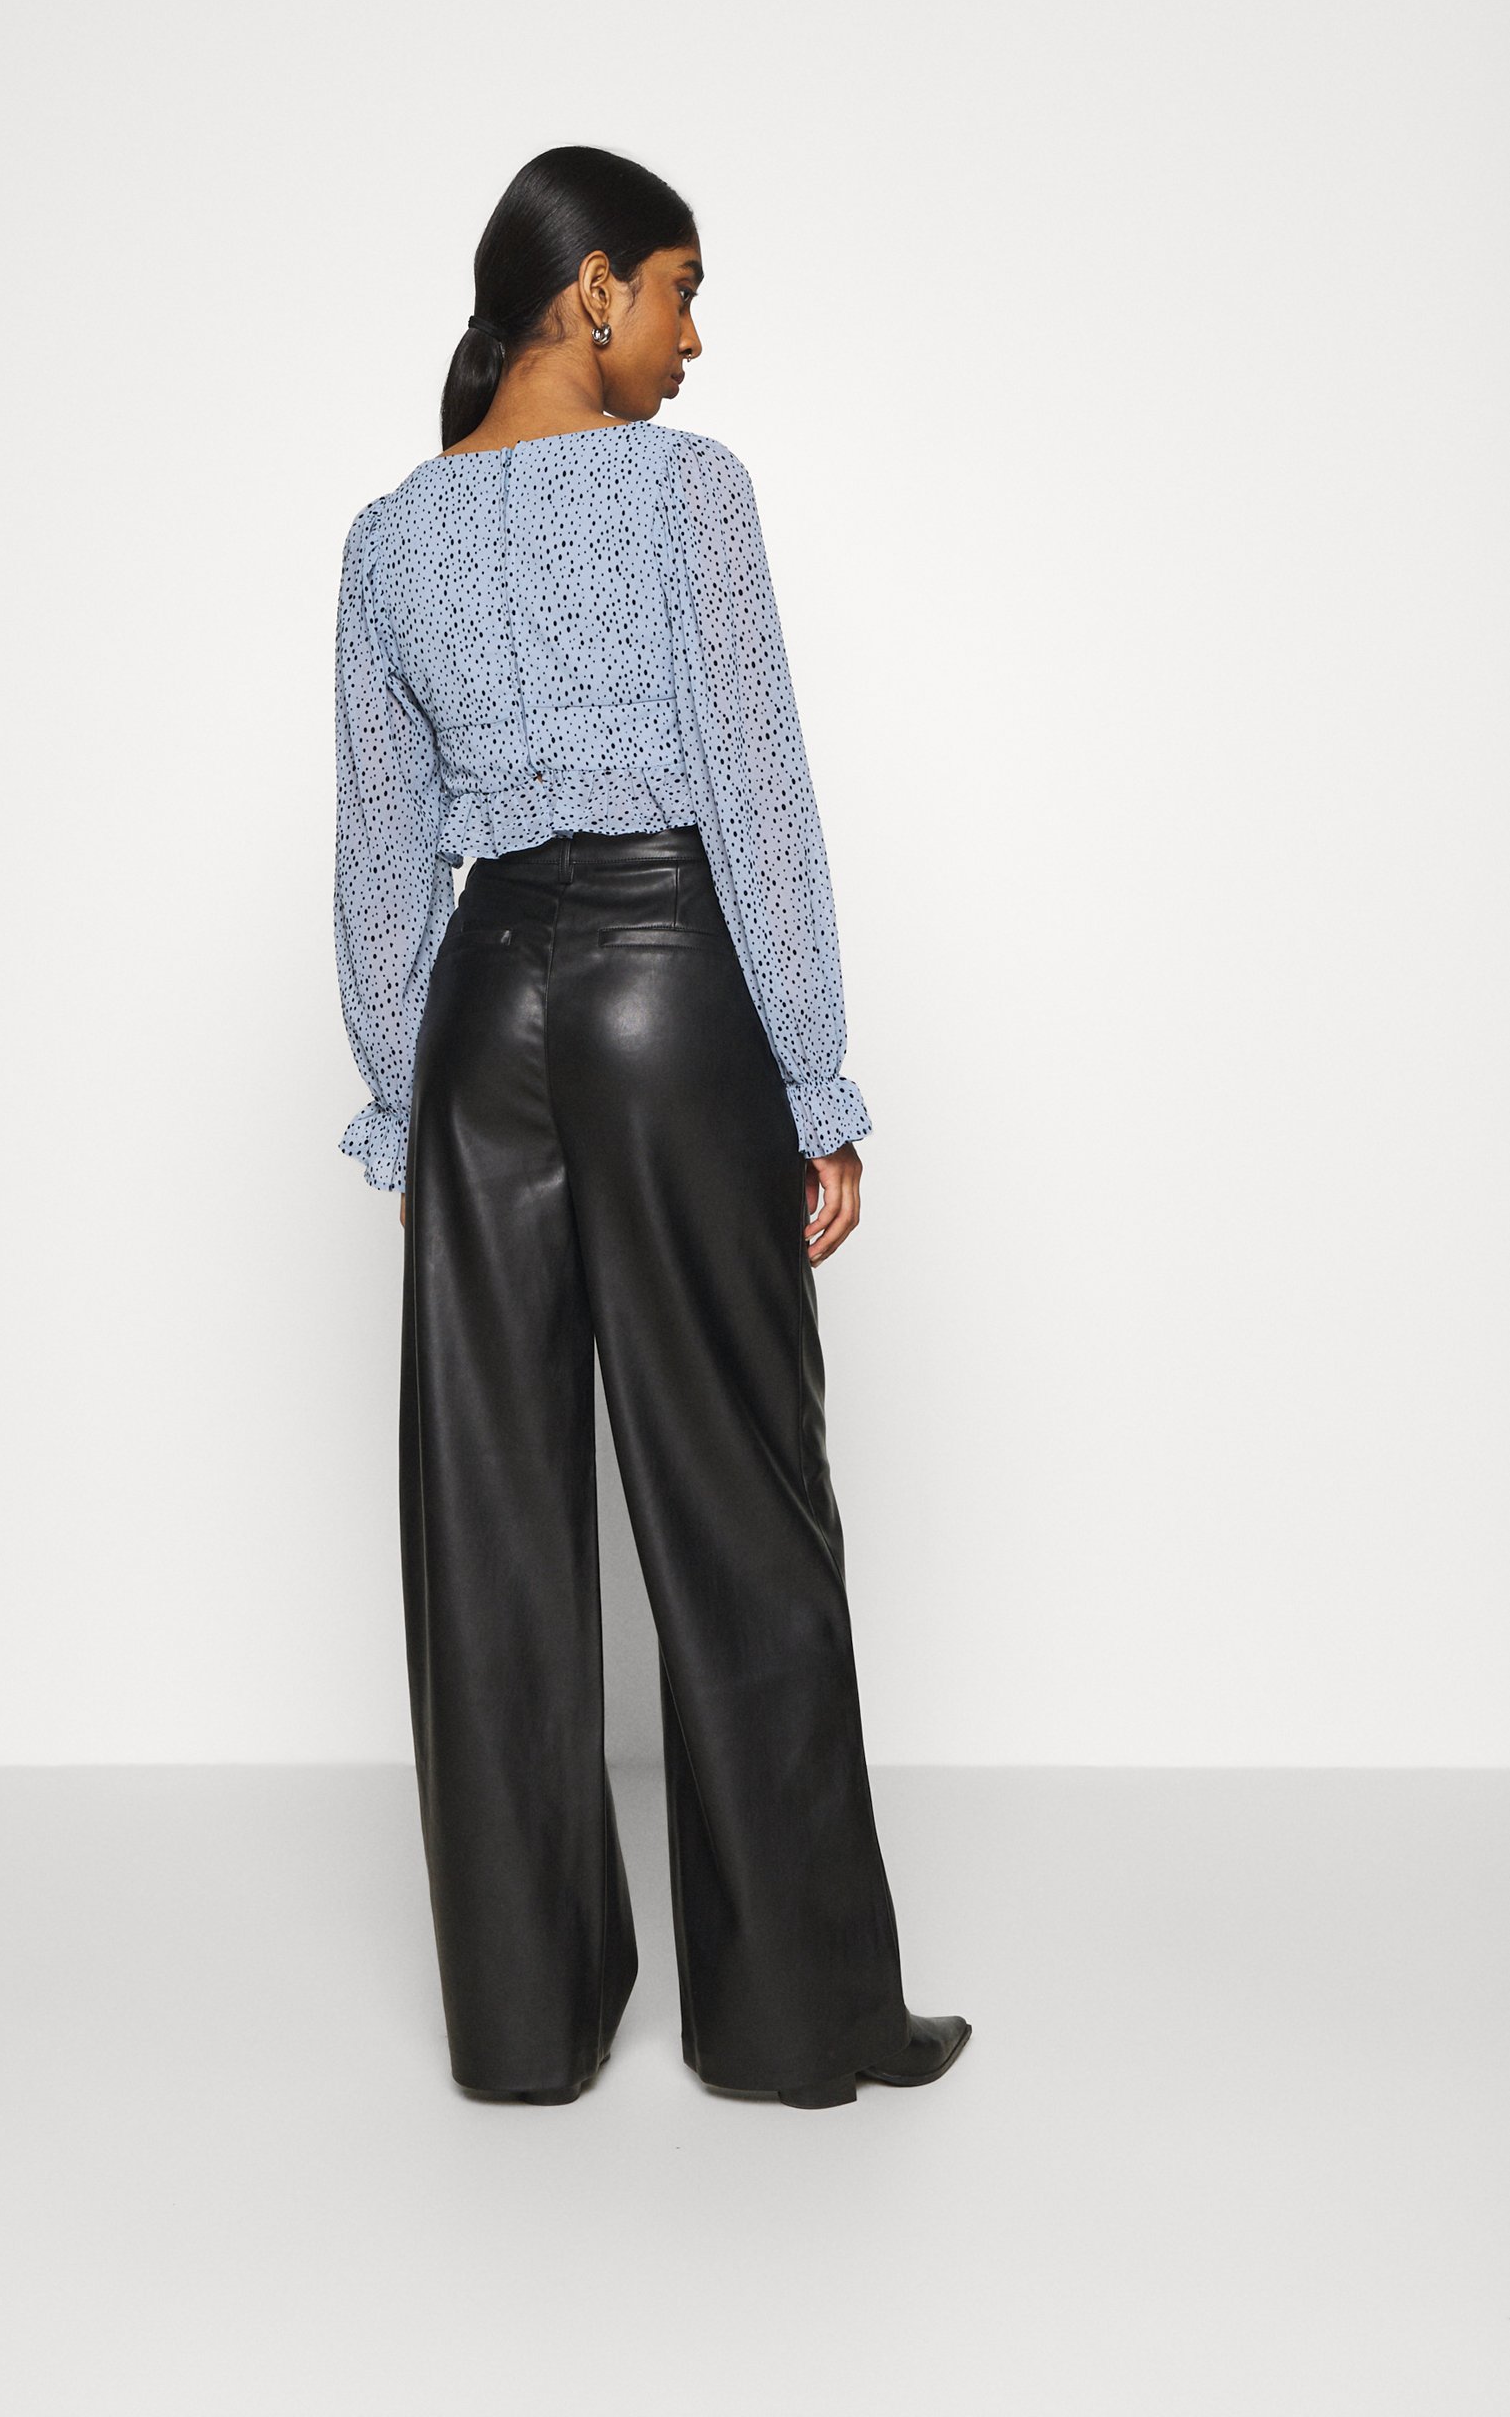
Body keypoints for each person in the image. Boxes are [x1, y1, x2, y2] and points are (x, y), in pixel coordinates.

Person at [332, 144, 970, 2110]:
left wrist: (402, 1097)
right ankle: (798, 2019)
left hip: (479, 1018)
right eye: (682, 291)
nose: (695, 340)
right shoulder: (686, 492)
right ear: (591, 286)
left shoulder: (386, 538)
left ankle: (524, 2026)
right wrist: (815, 1081)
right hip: (663, 982)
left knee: (489, 1519)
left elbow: (378, 856)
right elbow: (753, 790)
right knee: (738, 1494)